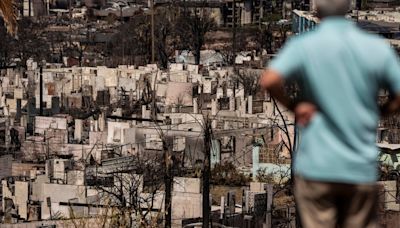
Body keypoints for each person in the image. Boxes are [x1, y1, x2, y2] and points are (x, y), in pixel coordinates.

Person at [259, 0, 400, 227]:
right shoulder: (373, 46)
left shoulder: (305, 44)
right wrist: (382, 112)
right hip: (358, 168)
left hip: (317, 167)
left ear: (317, 10)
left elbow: (269, 79)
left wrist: (295, 107)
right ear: (347, 8)